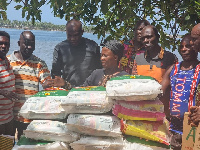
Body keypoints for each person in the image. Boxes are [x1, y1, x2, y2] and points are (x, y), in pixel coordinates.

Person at [7, 31, 52, 139]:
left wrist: (49, 84)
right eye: (26, 43)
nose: (29, 47)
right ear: (19, 43)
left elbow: (47, 84)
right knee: (7, 145)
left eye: (32, 44)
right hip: (9, 116)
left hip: (29, 116)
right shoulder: (8, 61)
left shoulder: (39, 63)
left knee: (26, 146)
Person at [161, 34, 200, 149]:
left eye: (188, 46)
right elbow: (160, 92)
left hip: (194, 127)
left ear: (195, 48)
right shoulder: (172, 69)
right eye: (181, 47)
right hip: (173, 128)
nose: (184, 49)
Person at [51, 19, 102, 89]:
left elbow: (99, 69)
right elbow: (55, 74)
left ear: (82, 32)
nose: (72, 39)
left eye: (75, 35)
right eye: (69, 35)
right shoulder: (60, 48)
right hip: (67, 89)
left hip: (89, 89)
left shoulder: (92, 47)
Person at [0, 31, 19, 135]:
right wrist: (3, 92)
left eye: (6, 44)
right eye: (0, 43)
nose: (3, 46)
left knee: (7, 147)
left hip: (8, 118)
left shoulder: (7, 61)